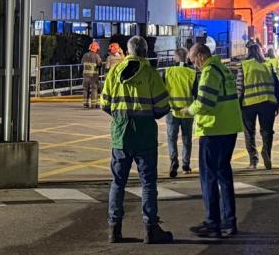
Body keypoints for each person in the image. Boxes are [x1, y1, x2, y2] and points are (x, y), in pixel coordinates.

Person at [99, 36, 174, 244]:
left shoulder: (115, 71)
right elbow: (162, 106)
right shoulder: (150, 73)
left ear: (129, 51)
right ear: (144, 51)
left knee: (118, 183)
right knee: (148, 183)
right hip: (145, 136)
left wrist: (121, 117)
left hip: (121, 135)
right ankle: (151, 229)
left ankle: (114, 229)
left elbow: (104, 103)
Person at [173, 43, 242, 238]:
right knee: (224, 177)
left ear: (201, 56)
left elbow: (205, 102)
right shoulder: (223, 69)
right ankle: (229, 222)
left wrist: (188, 111)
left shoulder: (210, 72)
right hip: (228, 128)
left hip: (214, 129)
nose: (194, 65)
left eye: (194, 61)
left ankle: (213, 223)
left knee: (209, 178)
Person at [238, 43, 279, 170]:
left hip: (249, 103)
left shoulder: (244, 65)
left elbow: (240, 86)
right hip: (268, 102)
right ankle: (266, 151)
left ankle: (253, 160)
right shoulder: (268, 65)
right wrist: (277, 104)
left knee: (249, 132)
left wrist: (238, 104)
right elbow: (276, 84)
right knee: (267, 131)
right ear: (261, 52)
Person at [162, 47, 197, 177]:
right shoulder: (192, 73)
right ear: (187, 57)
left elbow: (162, 91)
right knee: (187, 139)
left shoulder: (168, 71)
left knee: (172, 138)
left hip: (172, 110)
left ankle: (173, 160)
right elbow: (196, 93)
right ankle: (186, 165)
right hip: (187, 111)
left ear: (175, 57)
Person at [81, 41, 103, 109]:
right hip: (93, 76)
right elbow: (99, 64)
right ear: (96, 48)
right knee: (94, 89)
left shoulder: (85, 55)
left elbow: (82, 63)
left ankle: (85, 103)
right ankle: (93, 104)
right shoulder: (96, 56)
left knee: (85, 89)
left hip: (85, 75)